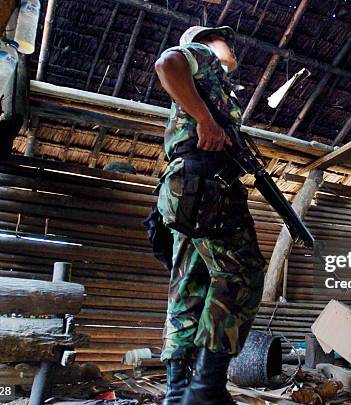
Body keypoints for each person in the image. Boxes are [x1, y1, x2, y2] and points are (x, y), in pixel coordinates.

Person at [154, 26, 266, 405]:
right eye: (222, 39)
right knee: (242, 272)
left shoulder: (214, 85)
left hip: (188, 191)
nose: (230, 45)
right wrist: (205, 118)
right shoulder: (200, 56)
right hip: (206, 185)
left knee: (189, 287)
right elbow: (167, 63)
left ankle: (179, 393)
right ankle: (205, 392)